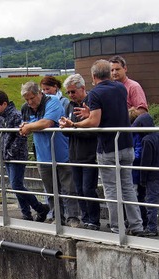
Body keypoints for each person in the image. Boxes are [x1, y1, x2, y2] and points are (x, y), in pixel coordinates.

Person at [59, 59, 145, 236]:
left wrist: (73, 125)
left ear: (93, 76)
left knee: (111, 189)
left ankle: (116, 227)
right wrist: (89, 114)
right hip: (126, 144)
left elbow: (95, 122)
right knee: (128, 187)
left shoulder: (96, 93)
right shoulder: (120, 88)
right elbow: (109, 113)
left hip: (107, 147)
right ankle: (137, 226)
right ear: (109, 73)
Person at [19, 81, 81, 227]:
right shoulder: (25, 108)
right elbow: (25, 127)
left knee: (69, 188)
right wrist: (27, 126)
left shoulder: (52, 101)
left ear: (39, 93)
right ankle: (57, 217)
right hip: (43, 156)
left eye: (32, 98)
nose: (29, 102)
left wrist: (29, 126)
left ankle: (73, 218)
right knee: (51, 191)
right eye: (26, 100)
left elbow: (47, 123)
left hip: (62, 154)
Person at [0, 90, 49, 222]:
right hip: (8, 155)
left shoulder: (16, 116)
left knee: (16, 184)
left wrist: (10, 151)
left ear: (4, 104)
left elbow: (21, 136)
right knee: (15, 185)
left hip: (16, 156)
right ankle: (26, 213)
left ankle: (39, 208)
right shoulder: (3, 117)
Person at [61, 74, 100, 230]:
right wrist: (66, 127)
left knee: (88, 188)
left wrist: (74, 128)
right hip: (74, 154)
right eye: (68, 92)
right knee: (78, 189)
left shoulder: (91, 103)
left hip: (89, 153)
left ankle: (94, 220)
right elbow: (67, 131)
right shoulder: (69, 106)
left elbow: (93, 130)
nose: (71, 95)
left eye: (73, 91)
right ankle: (86, 218)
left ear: (82, 88)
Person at [109, 55, 148, 122]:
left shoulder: (134, 86)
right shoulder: (109, 89)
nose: (114, 73)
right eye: (112, 70)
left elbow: (143, 112)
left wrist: (126, 115)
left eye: (117, 69)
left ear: (125, 69)